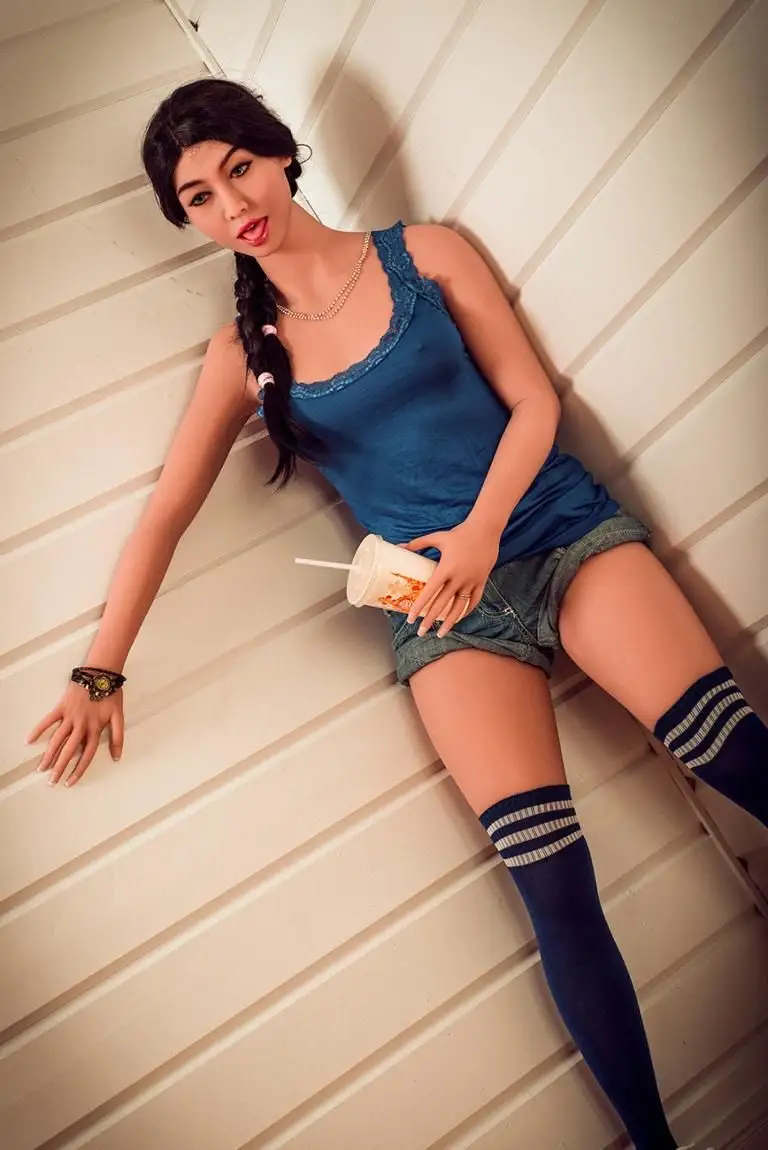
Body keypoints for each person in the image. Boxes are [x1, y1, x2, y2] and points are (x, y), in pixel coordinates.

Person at [26, 78, 766, 1150]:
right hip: (441, 617)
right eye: (198, 197)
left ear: (282, 155)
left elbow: (534, 401)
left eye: (240, 168)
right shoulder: (242, 356)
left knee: (729, 751)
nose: (232, 204)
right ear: (186, 221)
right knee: (552, 884)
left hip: (557, 534)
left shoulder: (424, 253)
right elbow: (165, 516)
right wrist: (100, 669)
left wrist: (481, 531)